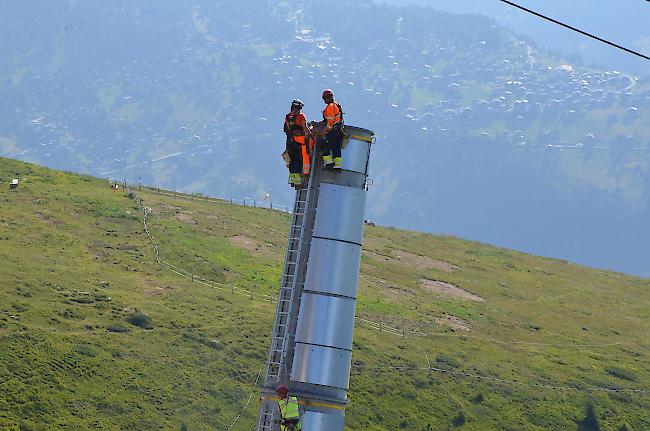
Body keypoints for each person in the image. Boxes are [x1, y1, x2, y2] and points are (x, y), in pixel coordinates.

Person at [284, 99, 312, 187]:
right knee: (303, 157)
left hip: (290, 142)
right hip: (300, 141)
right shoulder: (301, 116)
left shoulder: (287, 117)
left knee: (292, 161)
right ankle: (305, 173)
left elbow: (287, 130)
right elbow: (305, 130)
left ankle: (293, 180)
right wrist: (310, 132)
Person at [319, 89, 344, 169]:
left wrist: (326, 131)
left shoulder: (330, 107)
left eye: (324, 98)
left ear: (327, 97)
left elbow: (330, 122)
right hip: (339, 129)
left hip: (334, 130)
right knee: (336, 146)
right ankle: (337, 165)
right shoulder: (336, 105)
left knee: (323, 142)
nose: (324, 100)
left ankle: (329, 162)